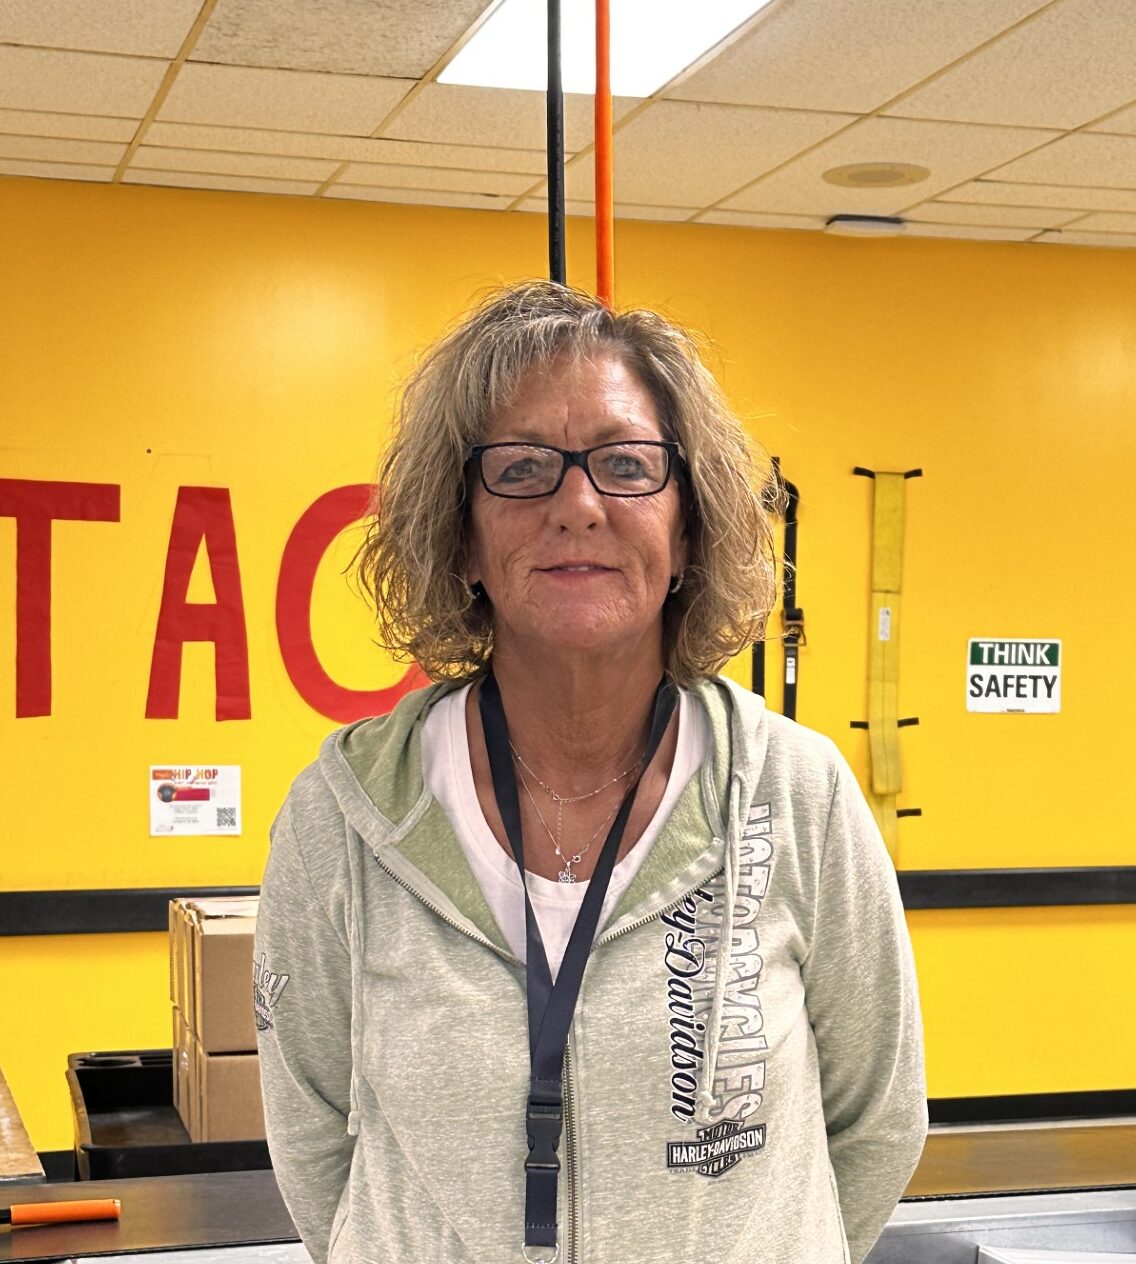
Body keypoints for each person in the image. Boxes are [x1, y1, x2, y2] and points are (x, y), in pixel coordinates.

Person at [255, 280, 926, 1264]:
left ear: (686, 530)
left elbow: (875, 1122)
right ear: (462, 538)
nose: (577, 505)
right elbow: (315, 1146)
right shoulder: (346, 818)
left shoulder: (794, 794)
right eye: (522, 470)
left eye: (625, 465)